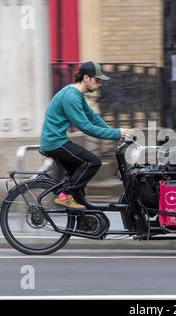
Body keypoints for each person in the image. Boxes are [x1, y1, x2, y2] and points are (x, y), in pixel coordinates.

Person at [40, 61, 132, 209]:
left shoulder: (76, 94)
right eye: (97, 80)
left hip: (56, 141)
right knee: (93, 162)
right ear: (86, 78)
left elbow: (92, 117)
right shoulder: (70, 96)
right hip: (55, 143)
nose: (100, 84)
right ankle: (64, 195)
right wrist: (114, 133)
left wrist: (115, 134)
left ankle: (84, 221)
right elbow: (85, 127)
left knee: (79, 179)